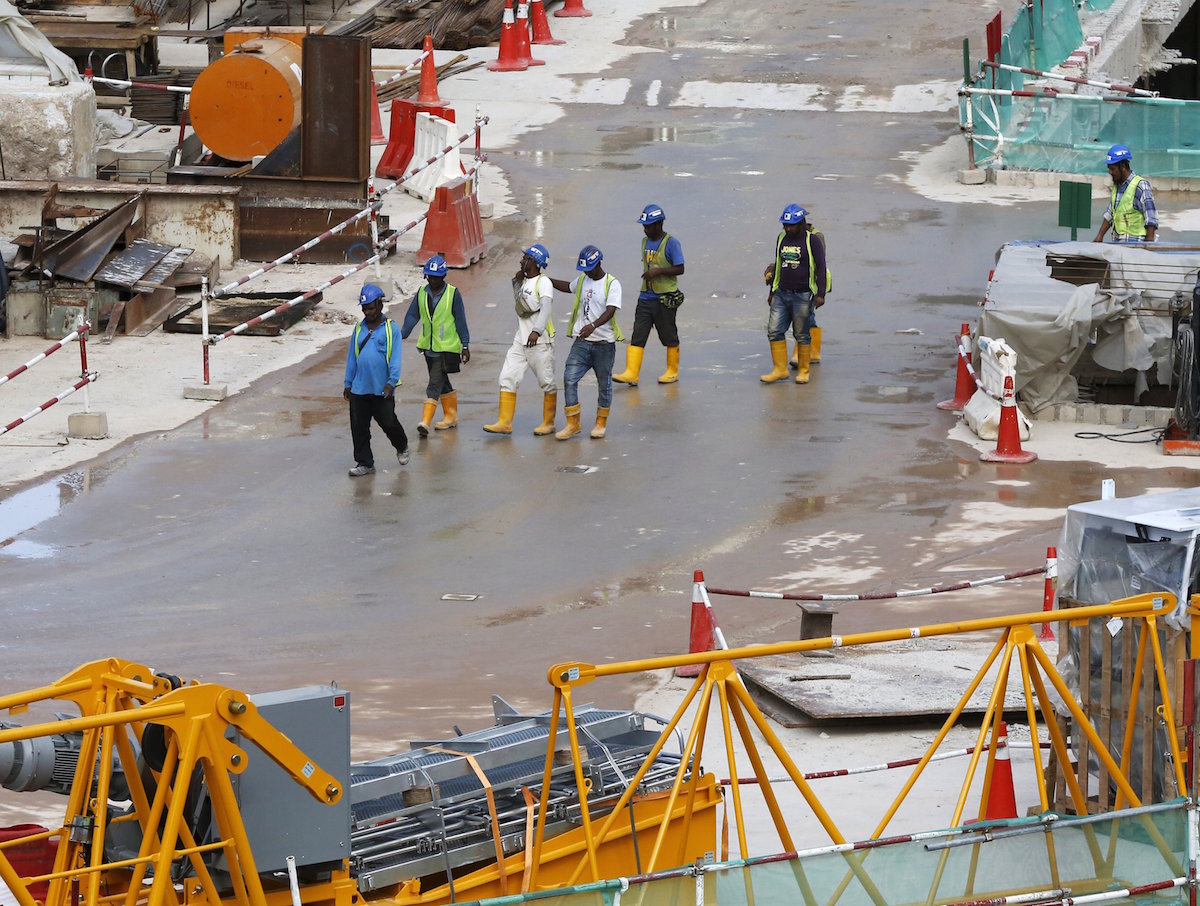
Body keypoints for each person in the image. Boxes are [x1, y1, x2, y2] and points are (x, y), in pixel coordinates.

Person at [548, 245, 622, 440]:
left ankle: (600, 423)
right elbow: (567, 287)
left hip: (604, 344)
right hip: (582, 343)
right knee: (569, 378)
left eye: (589, 268)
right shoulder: (582, 280)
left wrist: (594, 325)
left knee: (603, 384)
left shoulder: (612, 284)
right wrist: (547, 280)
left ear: (598, 263)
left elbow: (611, 310)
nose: (587, 272)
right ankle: (573, 423)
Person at [483, 244, 558, 436]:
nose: (521, 260)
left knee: (546, 381)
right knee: (507, 376)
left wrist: (537, 331)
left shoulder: (544, 283)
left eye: (525, 258)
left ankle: (549, 422)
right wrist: (517, 283)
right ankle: (504, 422)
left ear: (534, 262)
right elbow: (521, 304)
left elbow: (546, 308)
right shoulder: (525, 281)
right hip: (521, 339)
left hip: (540, 342)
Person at [613, 203, 685, 386]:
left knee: (668, 334)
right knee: (638, 333)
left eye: (648, 226)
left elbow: (680, 268)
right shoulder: (645, 242)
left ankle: (672, 370)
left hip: (664, 297)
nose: (645, 230)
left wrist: (658, 272)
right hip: (646, 296)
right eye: (644, 226)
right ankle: (632, 373)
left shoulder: (671, 243)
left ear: (659, 224)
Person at [343, 282, 409, 476]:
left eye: (371, 308)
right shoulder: (358, 329)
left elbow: (395, 359)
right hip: (359, 388)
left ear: (380, 305)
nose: (367, 312)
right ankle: (365, 463)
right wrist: (348, 383)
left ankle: (402, 445)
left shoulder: (391, 330)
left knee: (389, 423)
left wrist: (391, 382)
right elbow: (352, 357)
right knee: (359, 427)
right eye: (364, 308)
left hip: (382, 389)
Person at [400, 255, 470, 436]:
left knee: (434, 383)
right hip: (428, 348)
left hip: (446, 347)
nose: (432, 280)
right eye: (429, 276)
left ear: (443, 276)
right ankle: (451, 417)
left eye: (436, 277)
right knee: (442, 382)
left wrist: (465, 344)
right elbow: (412, 316)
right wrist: (401, 335)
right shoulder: (422, 293)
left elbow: (461, 320)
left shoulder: (453, 294)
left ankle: (425, 422)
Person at [761, 203, 826, 385]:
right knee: (774, 331)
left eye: (792, 225)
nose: (788, 229)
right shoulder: (781, 238)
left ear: (802, 223)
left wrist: (820, 294)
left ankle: (804, 371)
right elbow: (779, 266)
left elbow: (821, 267)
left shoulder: (812, 241)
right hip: (781, 293)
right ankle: (780, 370)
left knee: (802, 334)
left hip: (803, 295)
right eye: (785, 225)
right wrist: (772, 291)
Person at [1094, 144, 1158, 243]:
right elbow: (1110, 214)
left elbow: (1151, 220)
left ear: (1123, 166)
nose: (1110, 172)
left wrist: (1149, 248)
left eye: (1112, 168)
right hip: (1119, 245)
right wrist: (1100, 236)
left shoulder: (1141, 186)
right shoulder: (1117, 186)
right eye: (1109, 168)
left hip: (1136, 247)